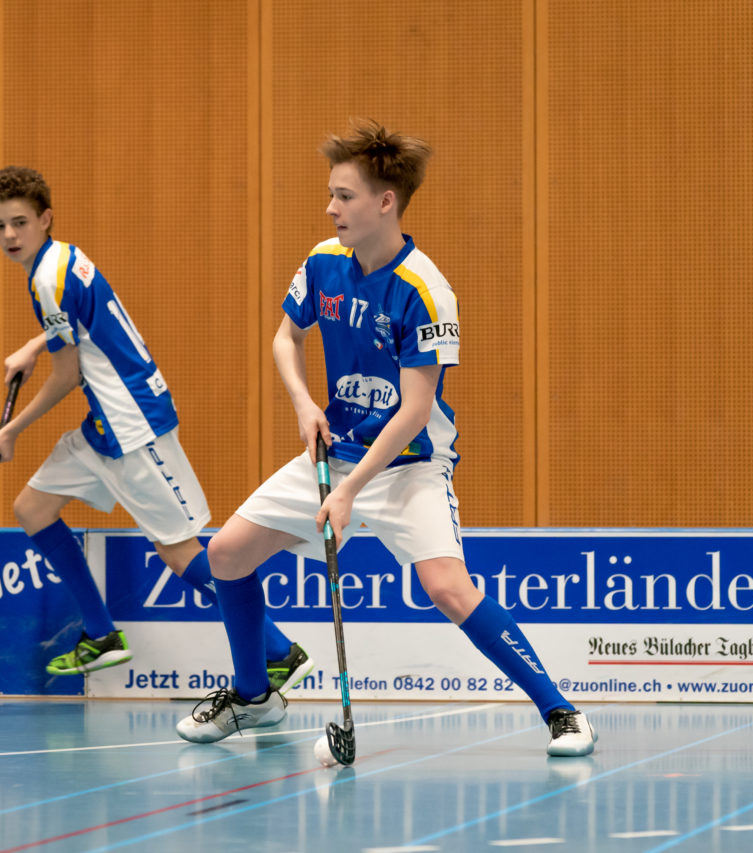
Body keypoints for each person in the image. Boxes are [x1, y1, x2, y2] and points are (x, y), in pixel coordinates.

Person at [174, 121, 597, 757]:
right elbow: (286, 338)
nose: (331, 207)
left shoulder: (425, 290)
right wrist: (304, 404)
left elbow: (415, 411)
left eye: (344, 196)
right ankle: (254, 697)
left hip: (408, 464)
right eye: (331, 194)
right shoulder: (324, 263)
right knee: (227, 554)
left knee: (448, 587)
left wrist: (351, 492)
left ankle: (561, 711)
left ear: (385, 202)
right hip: (334, 451)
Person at [0, 166, 314, 691]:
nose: (9, 235)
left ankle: (279, 652)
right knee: (33, 508)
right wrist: (35, 344)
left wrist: (12, 431)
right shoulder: (65, 258)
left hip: (131, 424)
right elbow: (81, 321)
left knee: (179, 552)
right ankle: (101, 635)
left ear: (45, 218)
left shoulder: (46, 279)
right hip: (103, 425)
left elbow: (67, 375)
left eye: (19, 222)